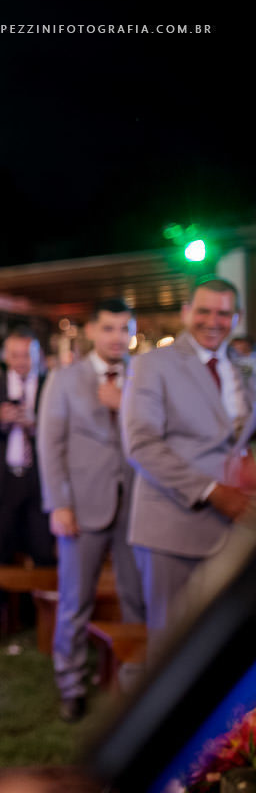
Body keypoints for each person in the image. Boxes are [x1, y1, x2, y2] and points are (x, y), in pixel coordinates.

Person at [122, 276, 256, 652]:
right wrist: (212, 491)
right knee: (173, 648)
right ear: (186, 312)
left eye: (223, 313)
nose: (213, 321)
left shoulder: (243, 367)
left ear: (237, 317)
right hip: (172, 527)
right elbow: (141, 444)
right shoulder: (152, 365)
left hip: (236, 532)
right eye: (203, 311)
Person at [38, 299, 146, 722]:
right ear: (92, 332)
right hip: (82, 507)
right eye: (109, 329)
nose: (117, 337)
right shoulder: (66, 379)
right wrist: (59, 504)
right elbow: (51, 445)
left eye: (124, 329)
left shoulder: (144, 377)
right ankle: (72, 686)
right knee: (75, 601)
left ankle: (138, 687)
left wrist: (126, 405)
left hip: (139, 507)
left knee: (137, 600)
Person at [0, 327, 54, 641]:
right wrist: (0, 420)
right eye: (15, 355)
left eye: (26, 356)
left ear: (37, 357)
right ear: (7, 357)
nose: (21, 361)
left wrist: (37, 426)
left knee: (44, 554)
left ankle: (42, 624)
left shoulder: (50, 384)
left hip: (39, 482)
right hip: (3, 483)